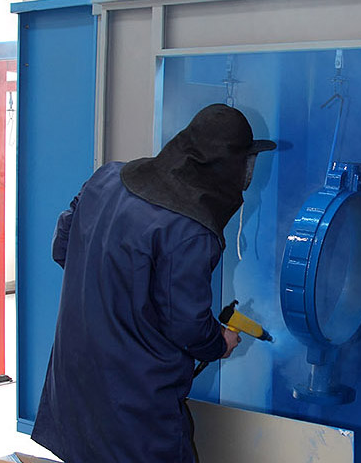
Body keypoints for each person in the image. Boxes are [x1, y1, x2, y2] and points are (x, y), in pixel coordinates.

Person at [31, 104, 276, 462]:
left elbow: (63, 246)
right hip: (133, 406)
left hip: (73, 384)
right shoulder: (191, 231)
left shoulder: (107, 178)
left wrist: (115, 297)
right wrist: (218, 343)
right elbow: (186, 326)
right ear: (229, 169)